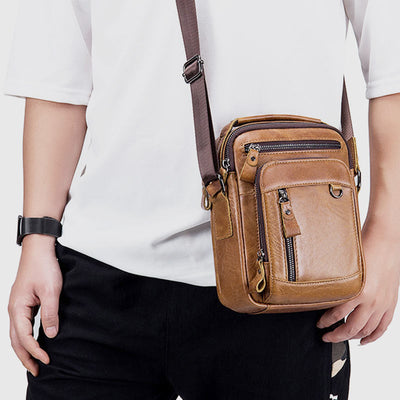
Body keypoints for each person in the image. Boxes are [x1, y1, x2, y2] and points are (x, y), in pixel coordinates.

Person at [5, 1, 400, 399]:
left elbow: (391, 69)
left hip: (287, 267)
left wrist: (386, 237)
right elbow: (57, 78)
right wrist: (37, 237)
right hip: (99, 270)